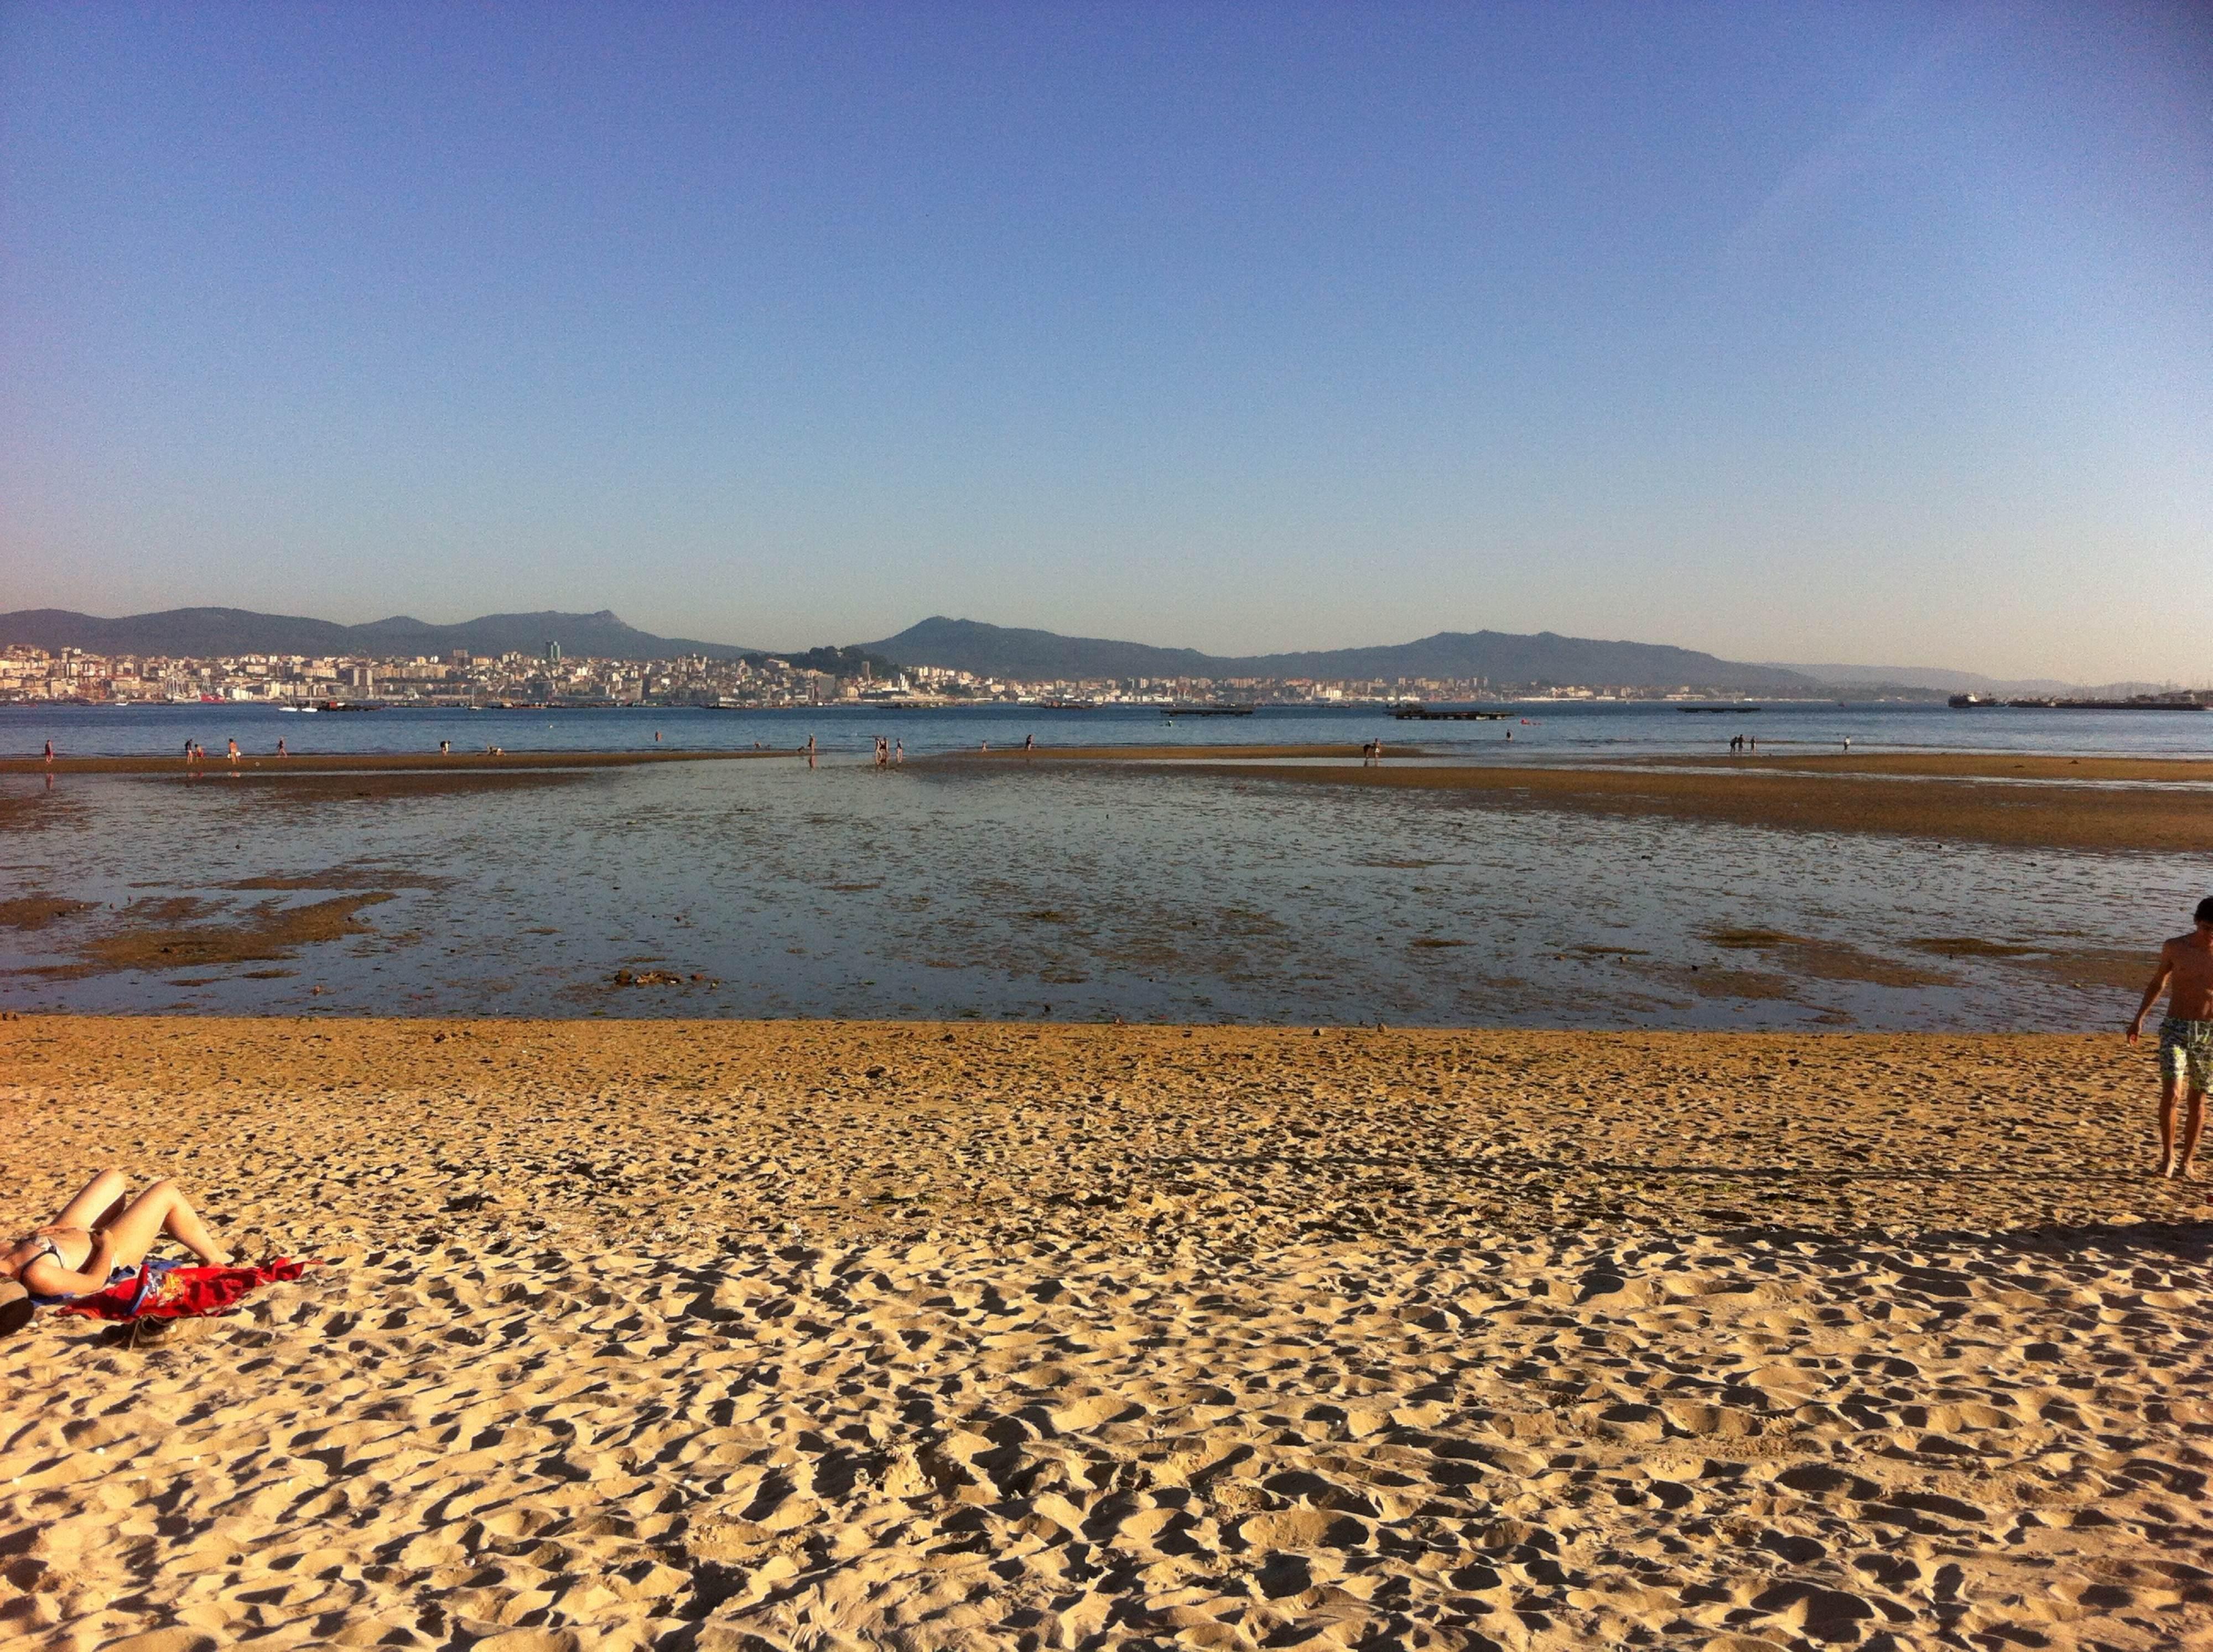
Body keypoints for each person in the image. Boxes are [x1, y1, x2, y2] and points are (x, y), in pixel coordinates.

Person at [0, 1171, 231, 1335]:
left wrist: (35, 1237)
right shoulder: (37, 1275)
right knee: (165, 1192)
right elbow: (93, 1281)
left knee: (112, 1177)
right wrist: (107, 1245)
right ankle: (214, 1259)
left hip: (68, 1232)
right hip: (111, 1251)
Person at [2126, 896, 2213, 1179]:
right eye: (2207, 927)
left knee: (2197, 1099)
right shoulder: (2176, 947)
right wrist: (2140, 1018)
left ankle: (2187, 1161)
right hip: (2175, 1027)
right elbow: (2158, 983)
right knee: (2172, 1093)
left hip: (2209, 1033)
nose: (2211, 934)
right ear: (2197, 922)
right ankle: (2168, 1158)